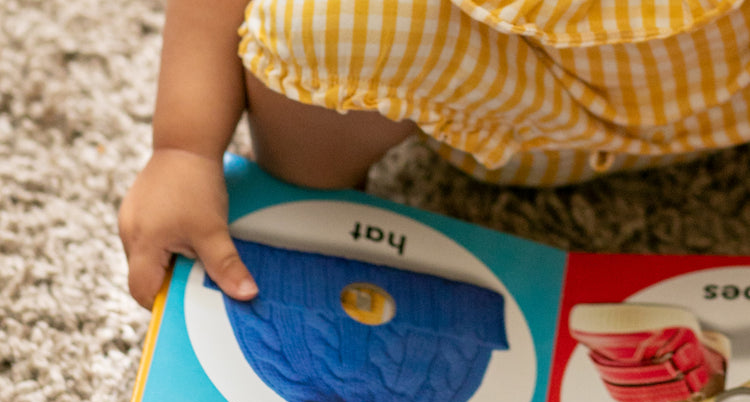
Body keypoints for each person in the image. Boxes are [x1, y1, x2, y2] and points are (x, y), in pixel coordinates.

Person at [119, 0, 750, 309]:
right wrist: (183, 148)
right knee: (318, 27)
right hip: (510, 101)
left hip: (729, 91)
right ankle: (314, 212)